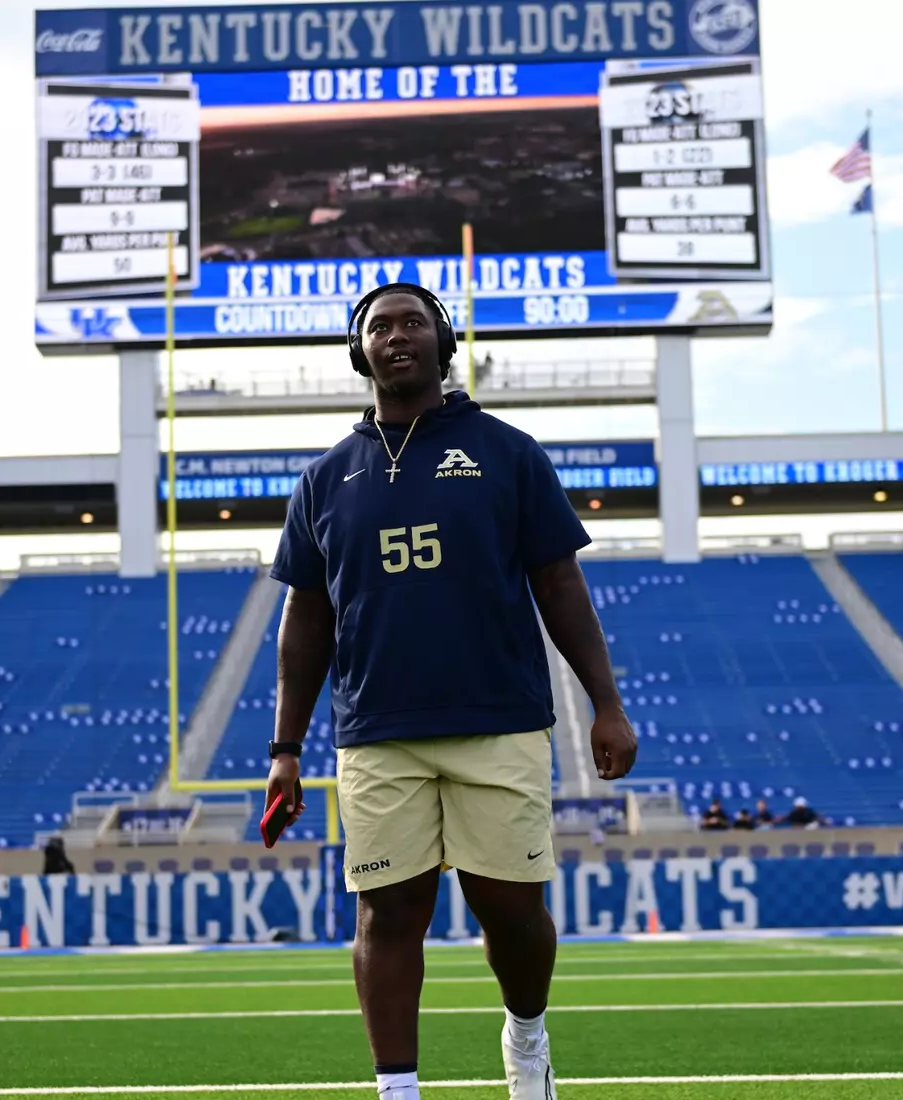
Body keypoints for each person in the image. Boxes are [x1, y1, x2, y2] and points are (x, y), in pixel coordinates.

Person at [266, 282, 637, 1100]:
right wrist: (284, 749)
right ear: (357, 350)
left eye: (413, 323)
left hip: (497, 718)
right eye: (379, 327)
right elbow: (305, 621)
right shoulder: (325, 478)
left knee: (510, 915)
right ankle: (399, 1091)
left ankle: (527, 1037)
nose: (396, 336)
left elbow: (560, 583)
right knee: (388, 916)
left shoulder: (507, 451)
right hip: (377, 728)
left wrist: (605, 702)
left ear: (444, 342)